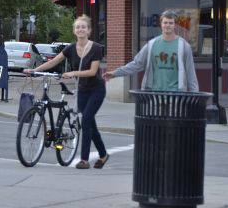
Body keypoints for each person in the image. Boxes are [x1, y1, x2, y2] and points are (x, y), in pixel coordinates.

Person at [24, 15, 109, 170]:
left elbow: (92, 71)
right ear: (74, 31)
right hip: (82, 90)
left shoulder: (96, 48)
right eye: (78, 27)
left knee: (85, 121)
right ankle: (103, 155)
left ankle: (84, 160)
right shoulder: (70, 48)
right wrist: (34, 70)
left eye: (83, 27)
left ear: (88, 30)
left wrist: (72, 73)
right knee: (91, 124)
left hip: (96, 90)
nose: (80, 29)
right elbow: (54, 61)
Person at [103, 10, 199, 92]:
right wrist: (115, 73)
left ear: (175, 25)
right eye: (165, 22)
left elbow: (190, 73)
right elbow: (136, 64)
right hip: (154, 95)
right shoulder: (151, 44)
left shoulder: (184, 46)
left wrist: (196, 96)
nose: (167, 25)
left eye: (170, 23)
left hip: (176, 96)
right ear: (161, 24)